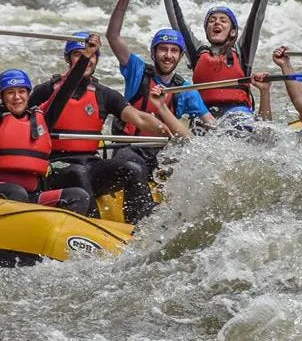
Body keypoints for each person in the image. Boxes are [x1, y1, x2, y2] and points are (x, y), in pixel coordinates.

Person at [28, 32, 185, 224]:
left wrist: (163, 129)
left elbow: (139, 118)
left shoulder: (104, 94)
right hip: (57, 167)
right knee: (79, 173)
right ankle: (93, 225)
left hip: (90, 164)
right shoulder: (45, 91)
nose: (87, 60)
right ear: (68, 59)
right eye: (79, 54)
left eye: (92, 55)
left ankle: (140, 225)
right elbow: (21, 120)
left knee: (132, 169)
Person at [0, 22, 94, 216]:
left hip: (31, 196)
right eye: (10, 92)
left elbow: (66, 86)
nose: (17, 97)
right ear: (2, 96)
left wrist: (86, 55)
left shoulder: (43, 116)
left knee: (79, 196)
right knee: (16, 192)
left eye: (22, 92)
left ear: (28, 95)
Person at [105, 0, 211, 173]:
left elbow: (204, 130)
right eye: (163, 49)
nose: (168, 55)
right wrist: (124, 0)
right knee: (132, 165)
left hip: (162, 152)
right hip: (128, 148)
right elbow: (113, 37)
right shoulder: (137, 71)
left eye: (174, 51)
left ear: (180, 56)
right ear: (154, 53)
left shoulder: (185, 90)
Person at [161, 0, 281, 117]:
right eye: (211, 20)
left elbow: (257, 16)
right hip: (204, 116)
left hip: (238, 115)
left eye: (223, 20)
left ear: (233, 31)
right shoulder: (196, 52)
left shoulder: (242, 51)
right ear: (207, 30)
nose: (216, 22)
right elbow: (177, 21)